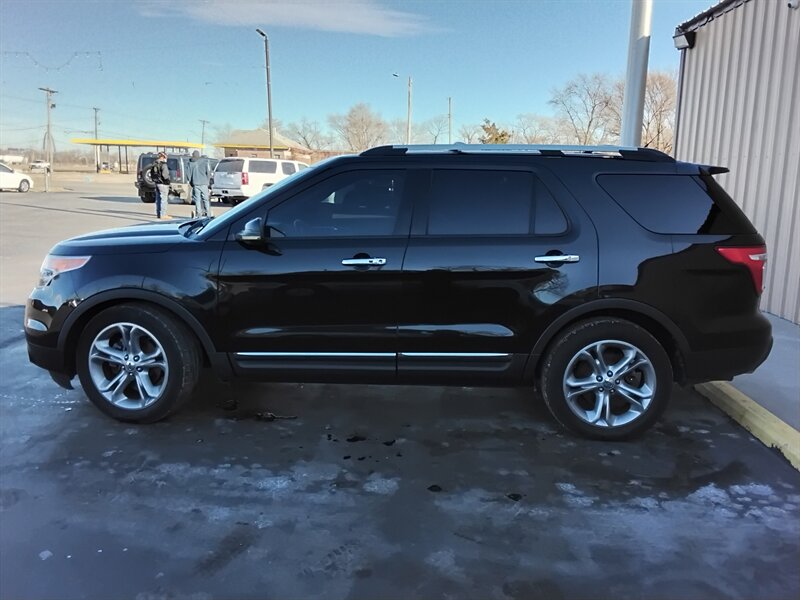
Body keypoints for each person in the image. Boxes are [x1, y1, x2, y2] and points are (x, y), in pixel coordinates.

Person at [186, 150, 212, 218]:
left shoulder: (190, 163)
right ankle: (208, 214)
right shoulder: (205, 162)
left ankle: (198, 214)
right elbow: (208, 173)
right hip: (204, 183)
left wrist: (191, 183)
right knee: (205, 199)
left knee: (197, 199)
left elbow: (188, 175)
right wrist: (208, 182)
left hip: (195, 184)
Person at [150, 152, 171, 219]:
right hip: (163, 184)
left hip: (157, 183)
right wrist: (168, 179)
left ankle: (159, 214)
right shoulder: (163, 165)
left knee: (158, 199)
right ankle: (163, 214)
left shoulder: (154, 164)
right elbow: (165, 175)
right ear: (163, 157)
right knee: (164, 199)